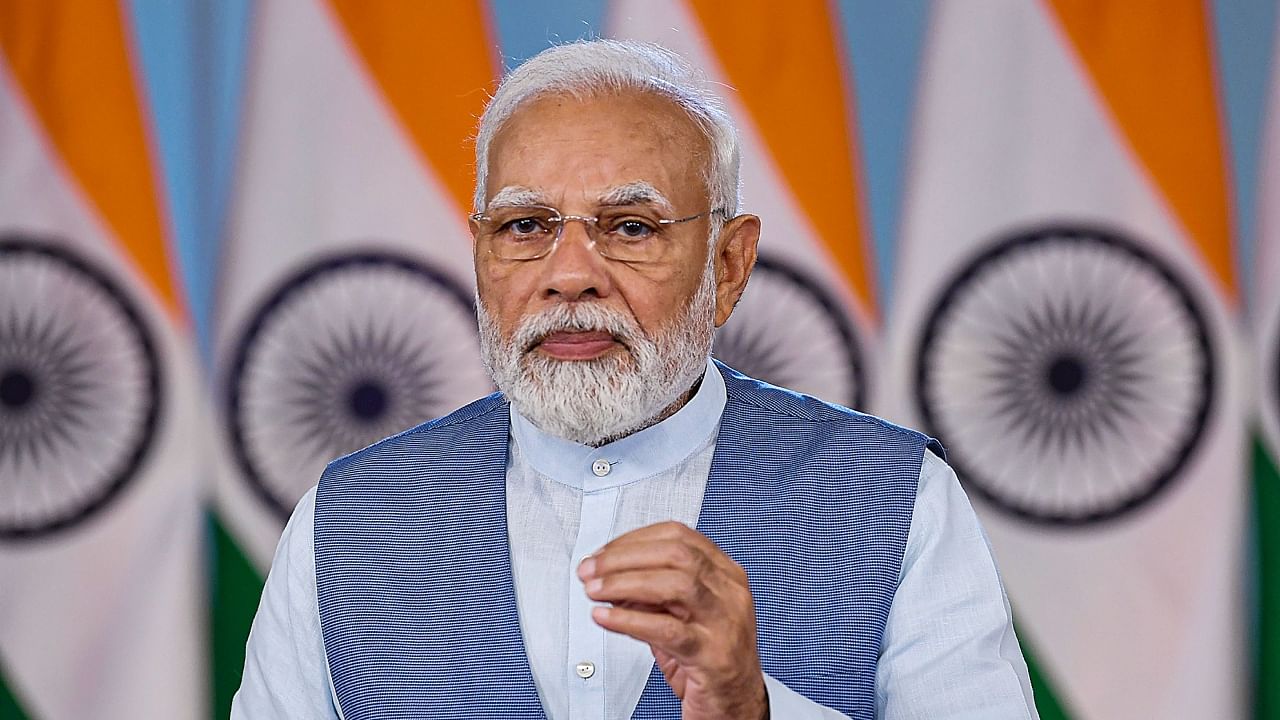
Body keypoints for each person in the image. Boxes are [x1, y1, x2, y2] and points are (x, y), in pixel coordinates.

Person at [232, 39, 1038, 720]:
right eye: (525, 226)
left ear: (729, 265)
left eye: (629, 227)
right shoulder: (348, 519)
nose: (569, 275)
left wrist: (754, 709)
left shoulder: (896, 496)